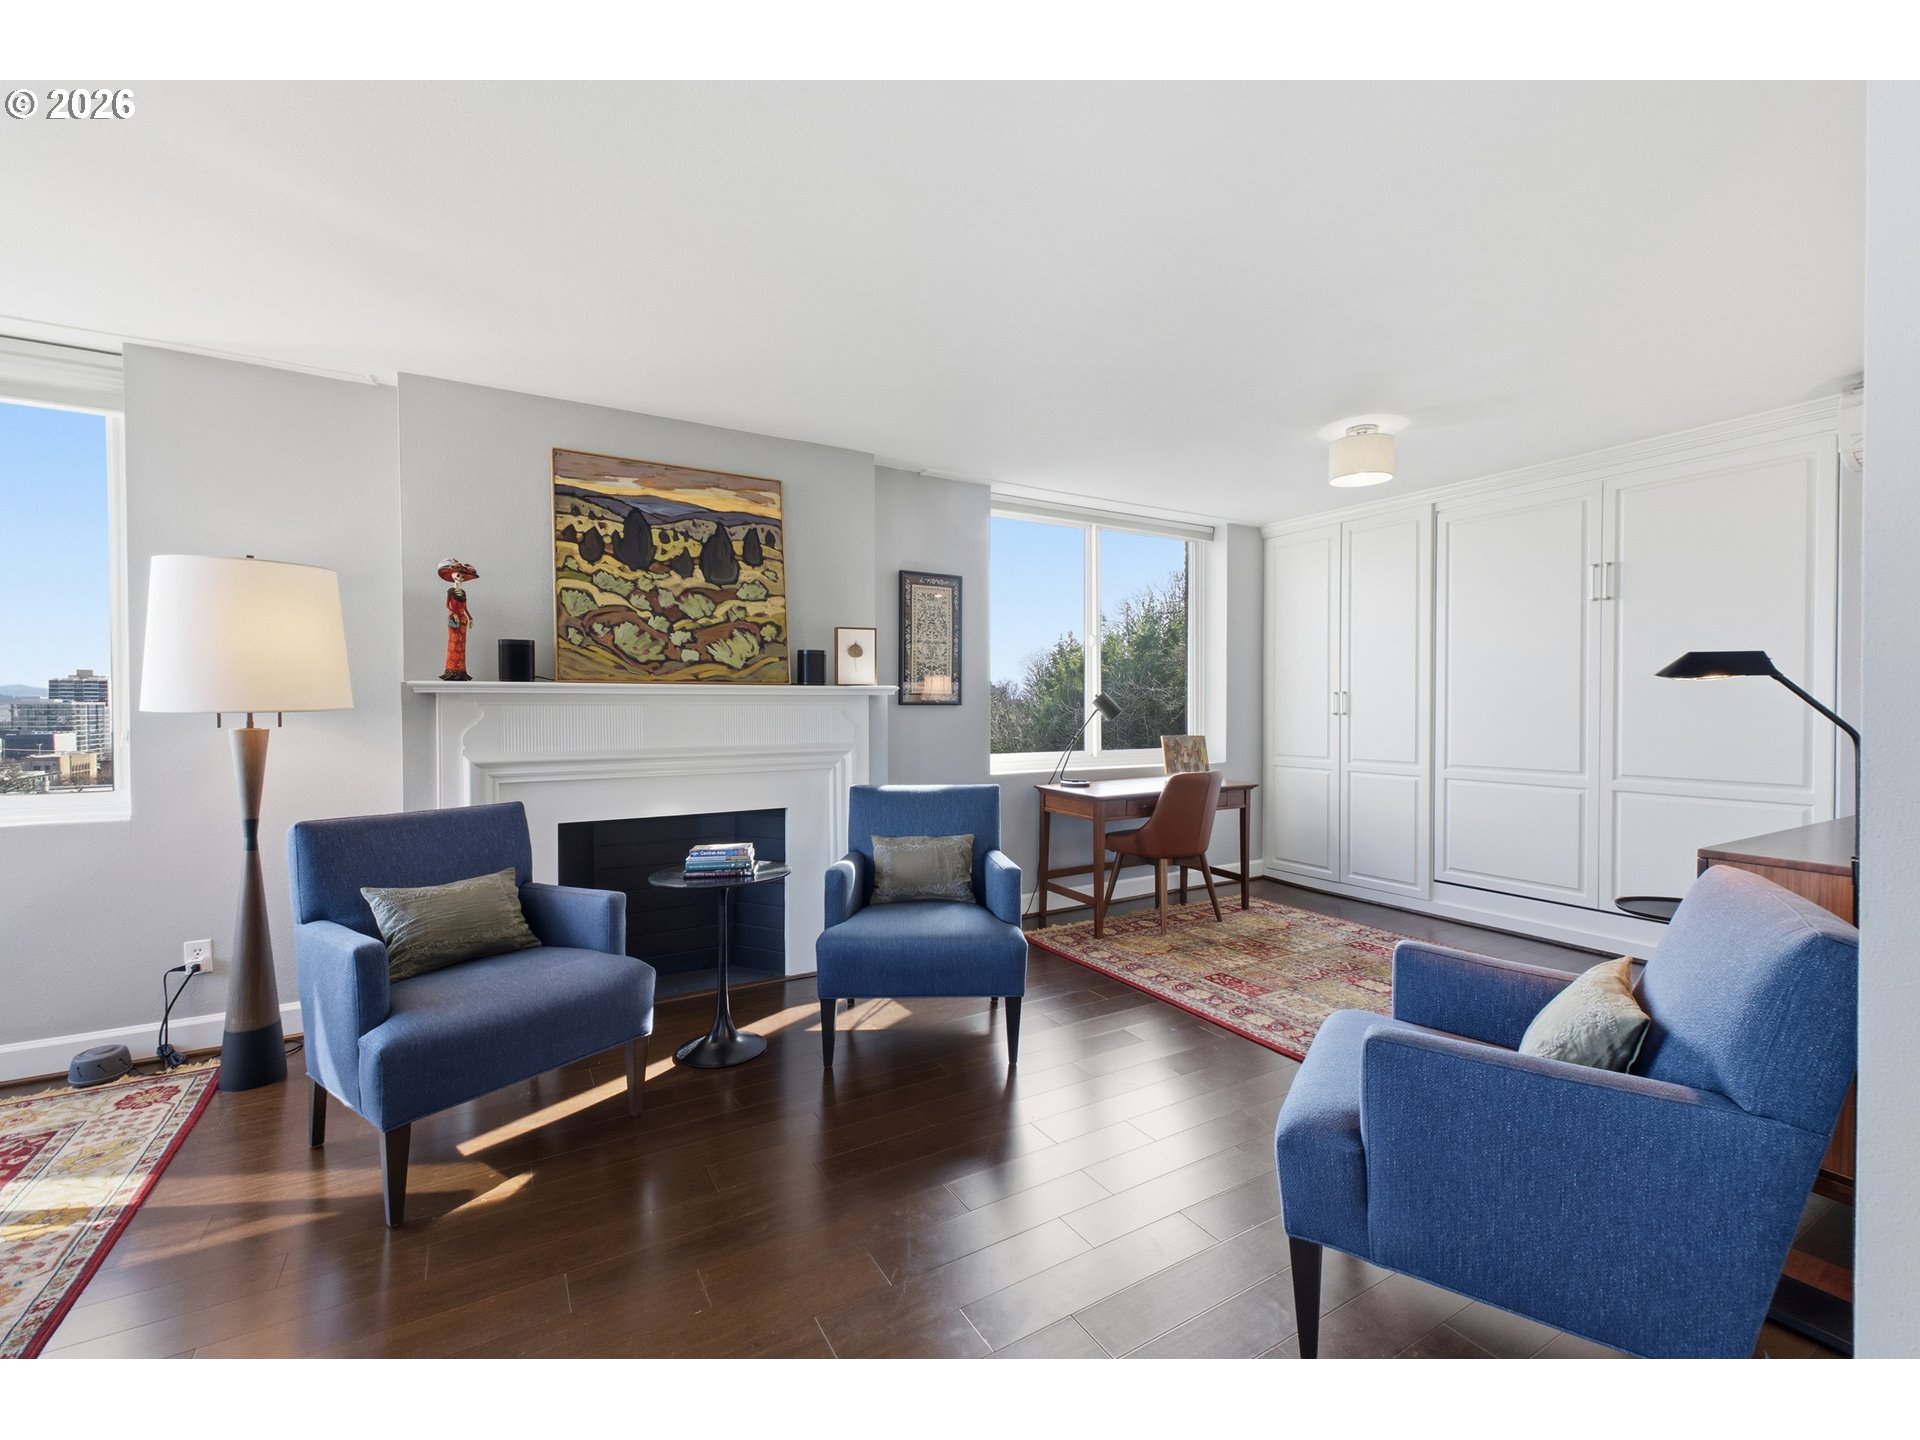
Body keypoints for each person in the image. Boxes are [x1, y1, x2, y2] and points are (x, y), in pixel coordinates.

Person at [438, 559, 478, 680]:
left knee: (461, 645)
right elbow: (447, 605)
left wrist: (470, 618)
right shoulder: (450, 591)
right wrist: (453, 613)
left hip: (463, 620)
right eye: (458, 575)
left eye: (462, 577)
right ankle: (452, 670)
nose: (460, 578)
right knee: (454, 644)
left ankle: (461, 671)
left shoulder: (463, 592)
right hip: (454, 619)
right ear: (453, 576)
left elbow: (465, 607)